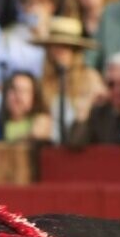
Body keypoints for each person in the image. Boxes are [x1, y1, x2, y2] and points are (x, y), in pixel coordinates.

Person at [30, 14, 102, 144]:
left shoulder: (89, 78)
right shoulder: (44, 82)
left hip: (84, 147)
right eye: (55, 46)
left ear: (76, 50)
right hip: (52, 150)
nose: (59, 51)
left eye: (66, 47)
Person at [0, 69, 50, 140]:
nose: (18, 95)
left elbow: (37, 135)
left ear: (34, 97)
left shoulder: (40, 121)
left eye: (24, 91)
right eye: (14, 89)